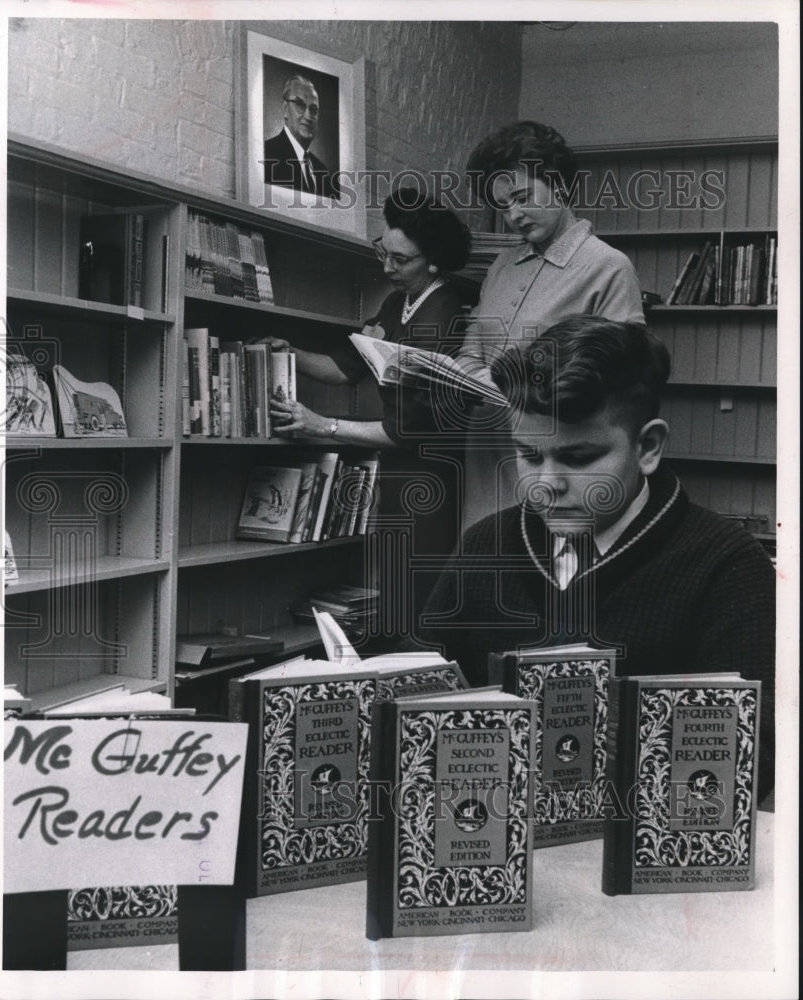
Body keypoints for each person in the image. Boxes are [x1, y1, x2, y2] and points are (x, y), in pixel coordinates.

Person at [408, 316, 775, 795]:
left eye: (579, 459)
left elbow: (756, 752)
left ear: (647, 447)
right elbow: (418, 694)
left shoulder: (727, 563)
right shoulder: (483, 545)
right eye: (529, 456)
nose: (547, 485)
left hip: (639, 852)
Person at [259, 189, 472, 641]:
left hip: (431, 477)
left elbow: (410, 430)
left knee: (420, 604)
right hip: (397, 476)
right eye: (383, 252)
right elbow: (345, 367)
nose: (386, 268)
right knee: (397, 594)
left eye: (400, 260)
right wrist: (290, 352)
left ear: (432, 260)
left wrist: (323, 425)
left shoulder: (447, 313)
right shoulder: (399, 303)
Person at [457, 119, 645, 526]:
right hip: (486, 448)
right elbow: (472, 349)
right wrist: (468, 378)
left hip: (556, 457)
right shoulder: (500, 267)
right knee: (485, 562)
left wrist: (520, 389)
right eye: (503, 205)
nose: (513, 216)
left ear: (558, 185)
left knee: (549, 569)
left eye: (522, 197)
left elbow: (627, 380)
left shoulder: (608, 267)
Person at [263, 74, 339, 200]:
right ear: (285, 108)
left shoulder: (322, 171)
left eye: (314, 109)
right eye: (300, 104)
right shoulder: (266, 154)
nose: (308, 116)